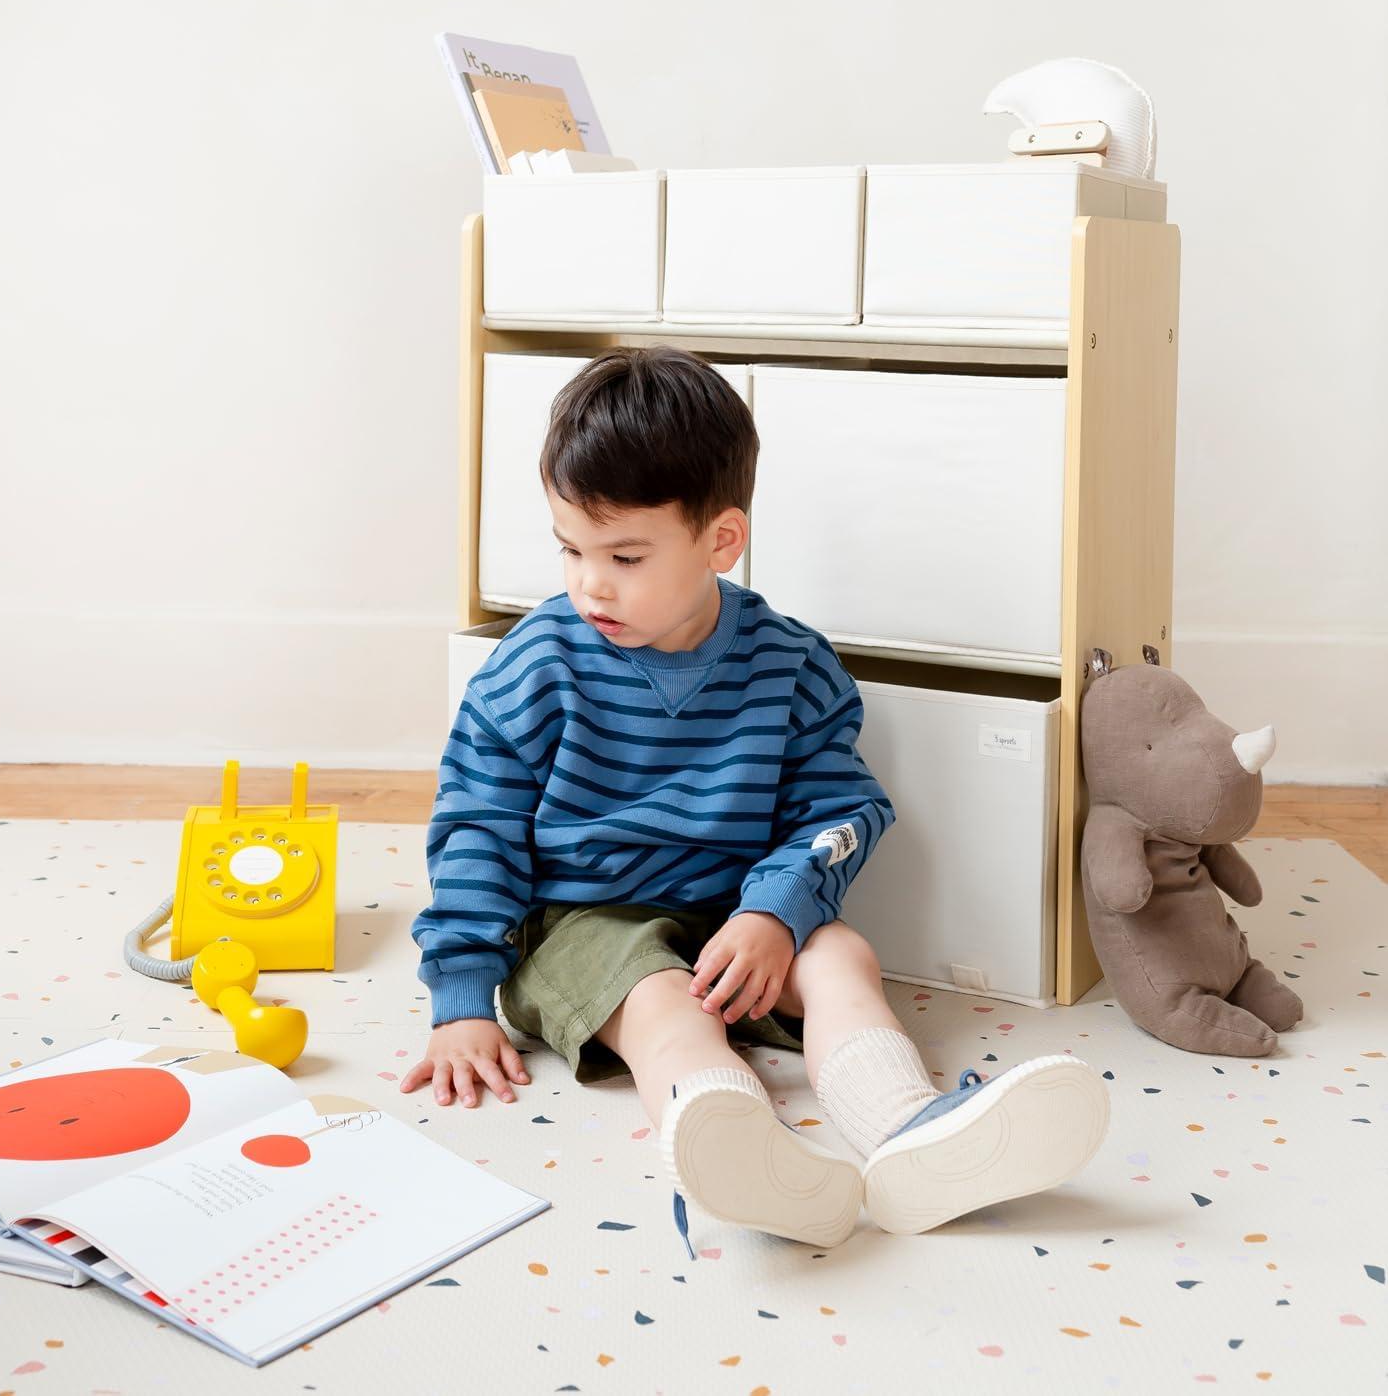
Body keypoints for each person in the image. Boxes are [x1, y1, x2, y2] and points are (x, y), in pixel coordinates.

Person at [404, 346, 1109, 1249]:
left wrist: (777, 913)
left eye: (624, 554)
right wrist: (463, 995)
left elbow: (842, 812)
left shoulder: (793, 666)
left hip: (738, 915)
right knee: (662, 1006)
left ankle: (910, 1130)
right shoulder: (536, 665)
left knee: (842, 954)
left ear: (721, 540)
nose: (589, 584)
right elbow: (477, 823)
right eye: (571, 549)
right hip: (584, 923)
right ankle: (739, 1148)